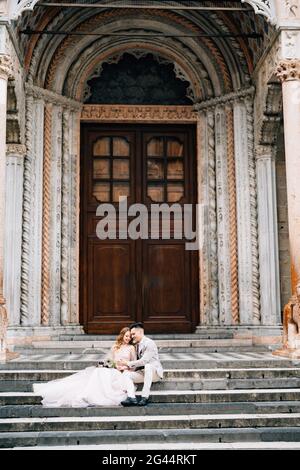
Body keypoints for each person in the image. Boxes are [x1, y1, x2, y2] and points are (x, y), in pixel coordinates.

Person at [32, 327, 136, 407]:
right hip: (114, 369)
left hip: (122, 372)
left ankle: (96, 395)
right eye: (126, 336)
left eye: (129, 337)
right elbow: (110, 360)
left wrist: (126, 367)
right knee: (98, 372)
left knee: (104, 374)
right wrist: (111, 365)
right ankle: (88, 394)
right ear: (122, 335)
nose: (127, 338)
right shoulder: (115, 346)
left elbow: (134, 364)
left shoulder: (131, 348)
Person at [118, 322, 164, 407]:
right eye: (131, 334)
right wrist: (125, 367)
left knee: (148, 366)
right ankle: (131, 397)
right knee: (126, 374)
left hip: (154, 373)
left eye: (133, 334)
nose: (132, 336)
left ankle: (145, 397)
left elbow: (144, 361)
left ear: (140, 332)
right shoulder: (136, 344)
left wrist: (128, 363)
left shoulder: (150, 343)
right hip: (143, 372)